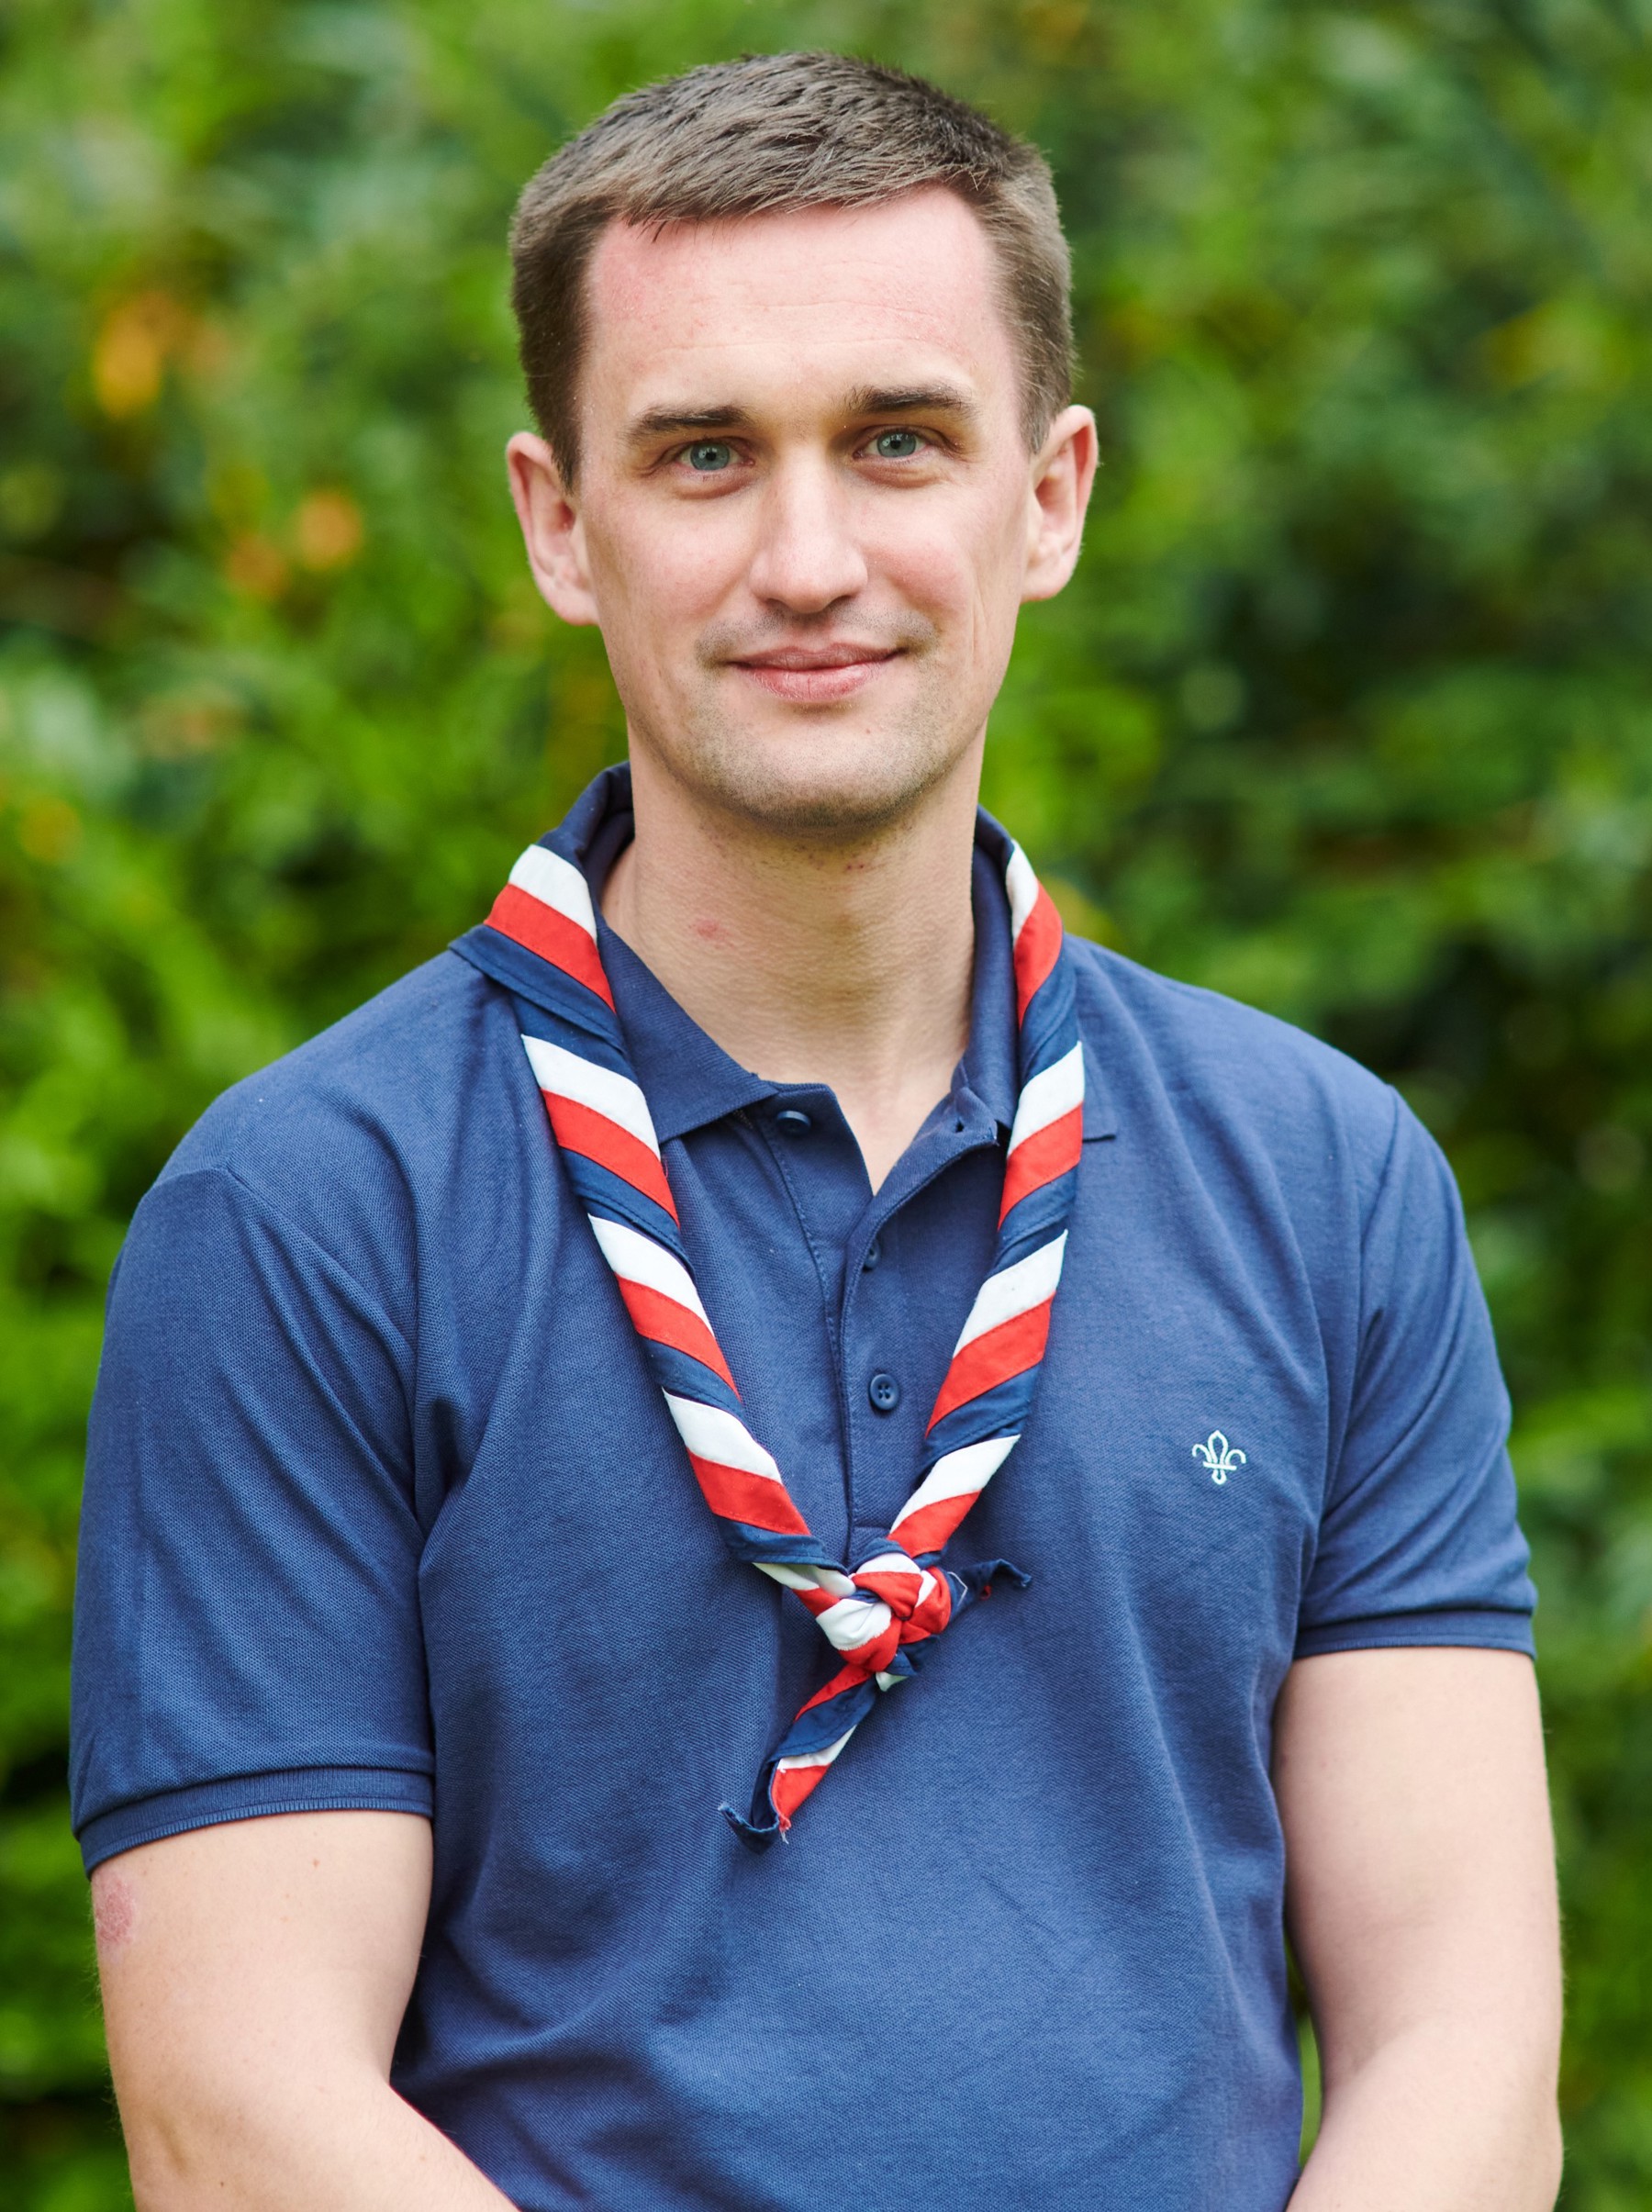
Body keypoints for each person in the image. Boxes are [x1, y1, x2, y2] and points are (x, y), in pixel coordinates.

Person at [71, 50, 1563, 2212]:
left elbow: (1464, 2037)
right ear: (559, 522)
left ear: (1045, 496)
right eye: (702, 454)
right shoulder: (308, 1211)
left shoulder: (1325, 1176)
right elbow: (239, 2110)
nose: (807, 554)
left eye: (895, 441)